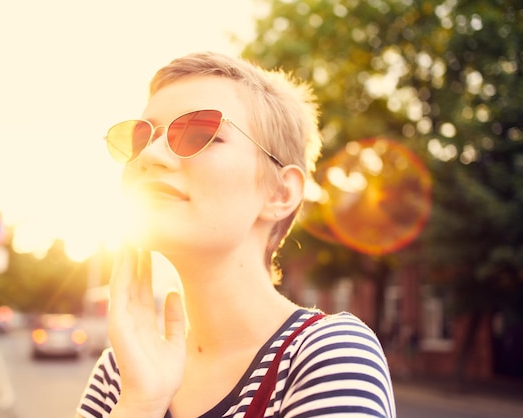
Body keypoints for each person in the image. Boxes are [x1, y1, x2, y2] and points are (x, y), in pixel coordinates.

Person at [75, 51, 396, 418]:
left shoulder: (328, 353)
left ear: (280, 193)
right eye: (139, 138)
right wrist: (141, 404)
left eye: (199, 132)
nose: (149, 155)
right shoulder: (121, 370)